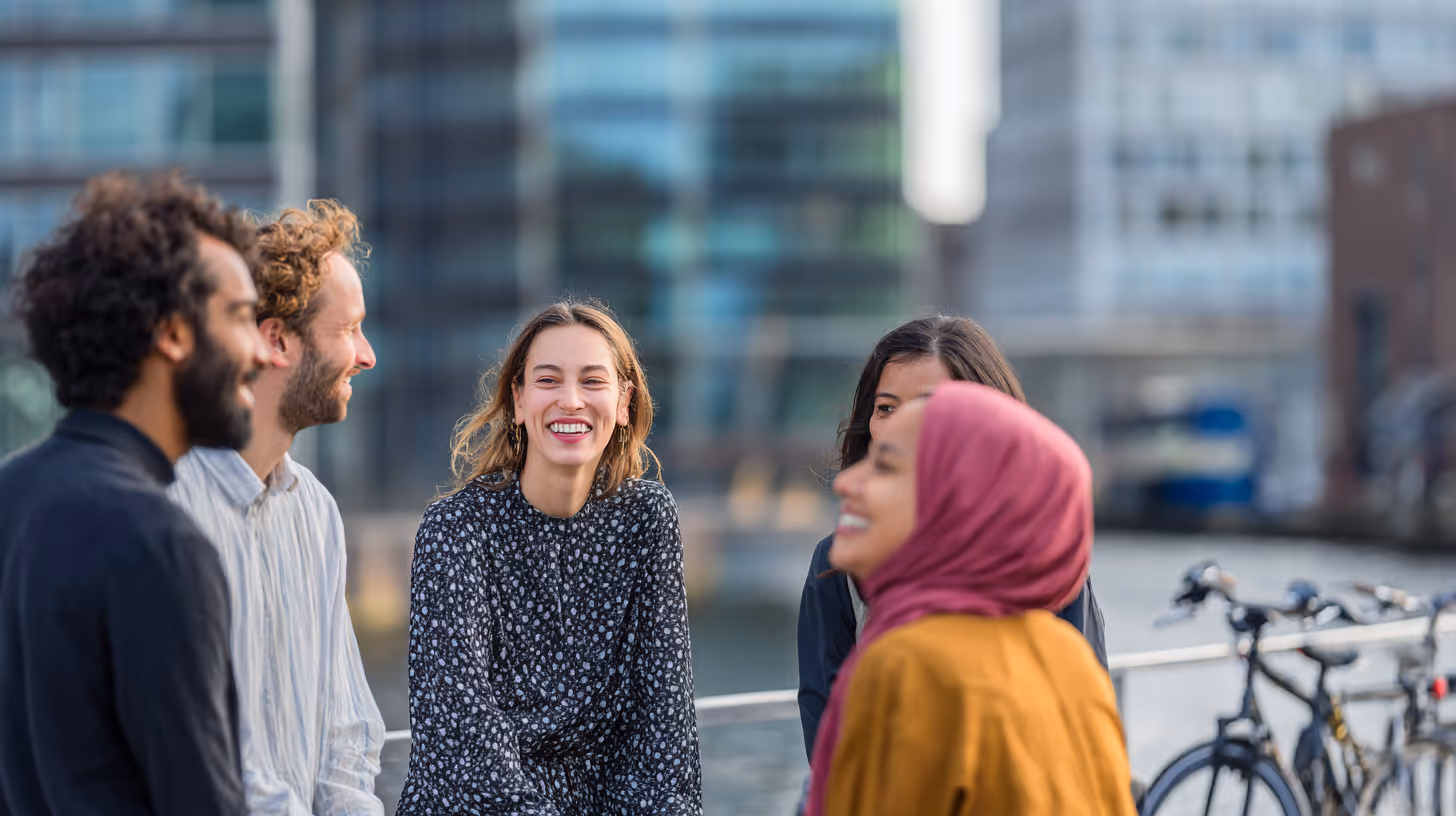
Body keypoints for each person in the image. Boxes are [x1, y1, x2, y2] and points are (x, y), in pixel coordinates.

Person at [0, 172, 271, 814]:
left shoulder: (10, 494)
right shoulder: (161, 545)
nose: (261, 352)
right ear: (172, 333)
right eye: (239, 317)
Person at [397, 301, 702, 815]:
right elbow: (461, 746)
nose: (570, 401)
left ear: (624, 402)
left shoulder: (647, 518)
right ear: (518, 400)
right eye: (547, 381)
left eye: (592, 381)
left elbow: (664, 728)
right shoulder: (455, 529)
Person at [806, 382, 1135, 816]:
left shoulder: (906, 665)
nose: (846, 482)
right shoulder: (1068, 660)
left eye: (885, 468)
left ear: (958, 499)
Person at [796, 315, 1106, 759]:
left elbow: (1083, 732)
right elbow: (826, 738)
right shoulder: (838, 563)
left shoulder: (1042, 558)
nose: (900, 428)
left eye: (929, 408)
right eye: (885, 408)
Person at [168, 200, 386, 814]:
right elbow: (198, 752)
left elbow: (349, 735)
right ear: (276, 340)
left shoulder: (317, 512)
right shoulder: (164, 510)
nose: (366, 356)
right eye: (348, 330)